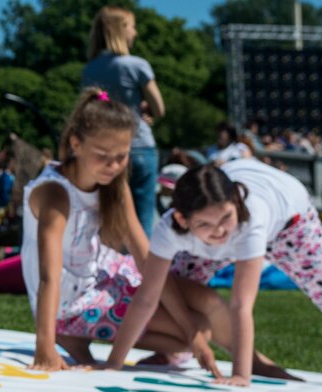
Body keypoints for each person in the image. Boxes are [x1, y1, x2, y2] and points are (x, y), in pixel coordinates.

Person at [23, 89, 205, 371]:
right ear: (76, 144)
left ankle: (81, 336)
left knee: (199, 323)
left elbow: (147, 259)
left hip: (101, 278)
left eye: (122, 157)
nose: (113, 165)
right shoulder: (55, 193)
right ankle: (69, 333)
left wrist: (192, 331)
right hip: (69, 304)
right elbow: (49, 275)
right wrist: (44, 346)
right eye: (103, 156)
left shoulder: (114, 187)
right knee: (185, 336)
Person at [105, 160, 317, 385]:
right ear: (182, 220)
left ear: (235, 201)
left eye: (225, 217)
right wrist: (114, 363)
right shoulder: (169, 230)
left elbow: (241, 304)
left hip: (291, 223)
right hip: (225, 222)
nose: (219, 231)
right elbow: (147, 297)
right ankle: (178, 351)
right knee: (180, 287)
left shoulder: (250, 221)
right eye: (205, 224)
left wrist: (240, 375)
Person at [81, 5, 165, 237]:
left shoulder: (90, 69)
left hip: (105, 150)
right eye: (132, 26)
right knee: (143, 221)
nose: (135, 33)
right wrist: (143, 108)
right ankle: (141, 272)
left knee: (110, 220)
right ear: (120, 30)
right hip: (139, 146)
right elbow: (159, 108)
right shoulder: (136, 65)